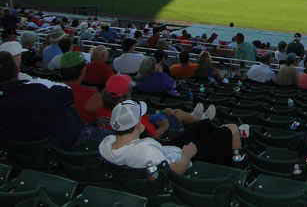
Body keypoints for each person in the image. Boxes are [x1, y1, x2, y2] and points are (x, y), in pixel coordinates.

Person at [98, 100, 241, 173]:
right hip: (187, 163)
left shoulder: (106, 144)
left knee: (203, 125)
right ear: (138, 125)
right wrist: (188, 155)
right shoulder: (146, 149)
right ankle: (238, 168)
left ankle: (217, 148)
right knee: (232, 129)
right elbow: (175, 172)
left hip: (168, 150)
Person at [0, 51, 90, 149]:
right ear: (17, 69)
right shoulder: (34, 91)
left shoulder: (31, 91)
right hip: (40, 150)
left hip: (14, 150)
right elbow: (67, 95)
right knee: (64, 111)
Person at [60, 51, 102, 124]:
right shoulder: (91, 96)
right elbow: (104, 119)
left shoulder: (52, 89)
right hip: (84, 133)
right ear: (82, 71)